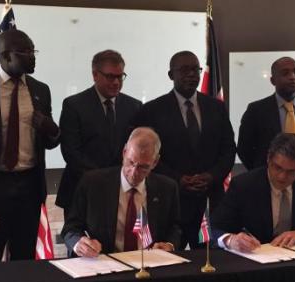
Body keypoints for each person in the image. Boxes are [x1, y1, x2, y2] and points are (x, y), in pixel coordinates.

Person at [133, 51, 235, 250]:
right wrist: (178, 179)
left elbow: (228, 149)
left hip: (209, 201)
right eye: (184, 70)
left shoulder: (216, 107)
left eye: (195, 69)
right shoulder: (152, 110)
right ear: (171, 75)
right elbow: (148, 157)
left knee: (210, 264)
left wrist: (211, 176)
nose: (191, 75)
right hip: (171, 201)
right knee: (170, 263)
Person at [0, 29, 60, 261]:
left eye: (34, 51)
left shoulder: (40, 89)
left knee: (24, 259)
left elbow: (51, 141)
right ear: (4, 55)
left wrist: (51, 130)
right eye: (25, 52)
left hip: (29, 185)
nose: (32, 57)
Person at [61, 127, 180, 257]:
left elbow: (175, 228)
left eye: (143, 167)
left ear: (155, 162)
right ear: (124, 152)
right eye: (131, 162)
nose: (134, 172)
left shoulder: (167, 188)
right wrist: (79, 243)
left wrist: (169, 245)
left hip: (150, 263)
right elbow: (71, 228)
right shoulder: (93, 183)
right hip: (106, 262)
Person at [56, 50, 142, 220]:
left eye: (120, 76)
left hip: (122, 189)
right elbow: (71, 152)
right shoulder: (74, 105)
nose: (116, 82)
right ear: (95, 75)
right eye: (110, 76)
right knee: (81, 245)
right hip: (82, 188)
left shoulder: (134, 106)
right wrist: (104, 179)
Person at [237, 57, 295, 170]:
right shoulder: (256, 110)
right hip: (266, 181)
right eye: (285, 73)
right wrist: (262, 173)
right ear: (273, 80)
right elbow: (244, 149)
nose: (292, 77)